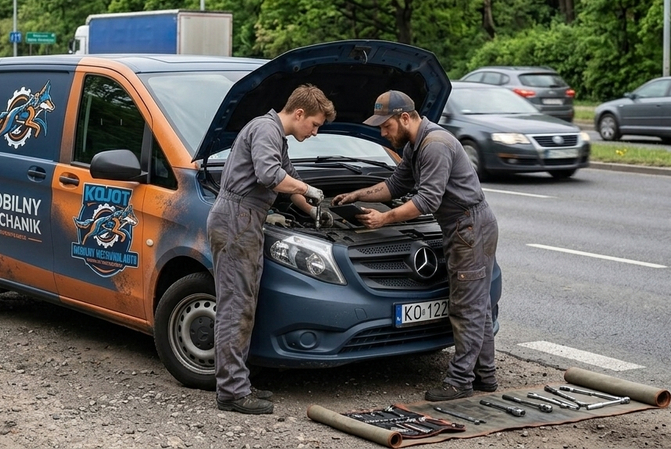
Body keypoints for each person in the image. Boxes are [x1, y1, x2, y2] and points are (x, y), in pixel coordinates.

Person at [332, 90, 499, 402]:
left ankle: (460, 381)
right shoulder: (414, 145)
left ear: (405, 117)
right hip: (461, 226)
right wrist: (356, 195)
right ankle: (484, 375)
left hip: (470, 227)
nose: (382, 132)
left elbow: (427, 200)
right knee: (478, 304)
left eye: (386, 126)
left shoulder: (435, 145)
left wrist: (385, 220)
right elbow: (396, 185)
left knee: (466, 307)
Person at [208, 84, 336, 414]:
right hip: (237, 218)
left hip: (245, 219)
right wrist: (311, 190)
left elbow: (287, 177)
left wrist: (314, 210)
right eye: (315, 125)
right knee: (236, 305)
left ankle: (239, 383)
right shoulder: (265, 129)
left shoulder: (275, 136)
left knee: (244, 303)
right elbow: (271, 176)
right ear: (299, 114)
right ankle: (231, 392)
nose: (315, 132)